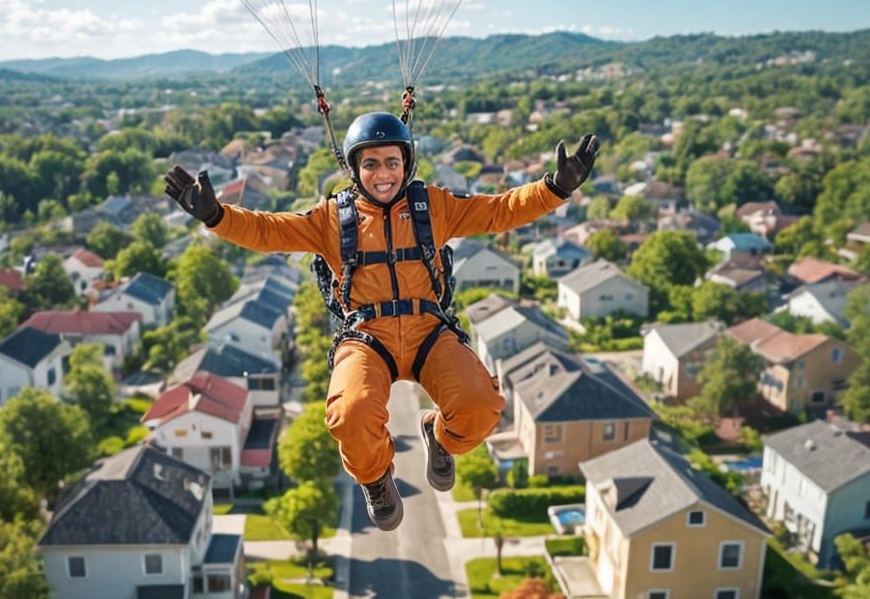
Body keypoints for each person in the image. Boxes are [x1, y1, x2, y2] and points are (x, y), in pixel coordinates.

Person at [165, 113, 599, 531]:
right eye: (370, 164)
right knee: (349, 413)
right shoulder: (331, 219)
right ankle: (376, 479)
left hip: (428, 330)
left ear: (406, 164)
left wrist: (555, 188)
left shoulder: (435, 207)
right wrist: (216, 216)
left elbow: (498, 211)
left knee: (481, 407)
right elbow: (268, 230)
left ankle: (441, 438)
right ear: (355, 169)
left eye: (392, 162)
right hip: (366, 336)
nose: (383, 173)